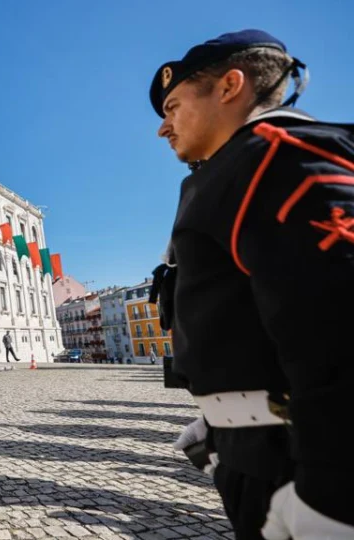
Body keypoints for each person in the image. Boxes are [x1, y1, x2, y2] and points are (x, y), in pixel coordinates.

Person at [150, 30, 354, 539]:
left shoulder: (280, 157)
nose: (163, 127)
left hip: (300, 461)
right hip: (255, 445)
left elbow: (340, 320)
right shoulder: (240, 165)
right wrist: (225, 411)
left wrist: (334, 496)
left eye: (173, 106)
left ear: (229, 86)